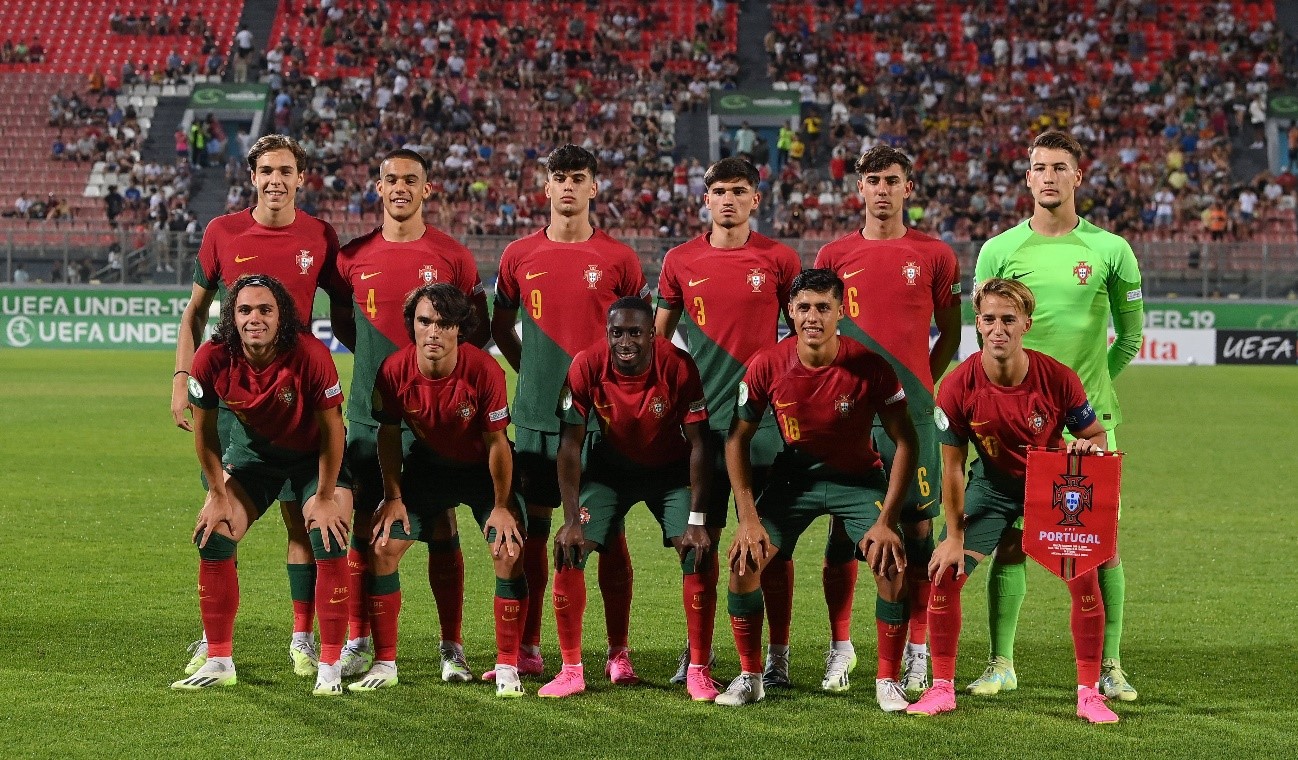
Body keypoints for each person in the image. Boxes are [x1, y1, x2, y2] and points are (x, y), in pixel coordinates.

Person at [973, 130, 1143, 701]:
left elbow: (1131, 337)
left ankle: (1109, 665)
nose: (1048, 176)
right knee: (1011, 541)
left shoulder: (1111, 250)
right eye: (1039, 167)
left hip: (1089, 424)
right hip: (1018, 428)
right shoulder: (999, 251)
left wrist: (1082, 401)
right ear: (1027, 178)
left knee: (1102, 546)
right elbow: (987, 340)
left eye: (1059, 167)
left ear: (1078, 176)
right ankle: (1001, 662)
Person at [906, 277, 1119, 724]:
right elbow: (950, 467)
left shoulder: (1057, 378)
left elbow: (1095, 435)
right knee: (945, 573)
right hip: (991, 485)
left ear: (1026, 324)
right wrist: (954, 536)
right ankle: (942, 687)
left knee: (1085, 579)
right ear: (977, 325)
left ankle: (1089, 693)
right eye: (989, 319)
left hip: (1054, 485)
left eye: (1008, 319)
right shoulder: (957, 386)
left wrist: (1087, 448)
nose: (998, 328)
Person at [172, 134, 344, 681]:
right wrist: (181, 377)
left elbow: (344, 312)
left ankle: (302, 637)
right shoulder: (222, 231)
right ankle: (216, 639)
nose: (275, 178)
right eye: (266, 169)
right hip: (237, 409)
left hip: (297, 404)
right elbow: (194, 313)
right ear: (253, 176)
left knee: (303, 526)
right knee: (220, 518)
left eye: (285, 170)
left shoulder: (319, 235)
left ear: (300, 178)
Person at [715, 268, 918, 708]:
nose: (812, 317)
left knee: (892, 563)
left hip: (859, 480)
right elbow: (736, 440)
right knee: (743, 562)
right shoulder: (768, 364)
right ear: (790, 310)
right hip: (795, 480)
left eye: (823, 307)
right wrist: (747, 519)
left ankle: (887, 680)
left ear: (840, 312)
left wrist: (887, 521)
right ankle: (751, 676)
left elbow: (907, 441)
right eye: (803, 307)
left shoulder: (870, 366)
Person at [490, 144, 649, 682]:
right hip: (536, 420)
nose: (567, 187)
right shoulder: (517, 256)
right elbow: (499, 327)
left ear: (593, 188)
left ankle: (618, 652)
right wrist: (533, 372)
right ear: (546, 186)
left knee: (607, 535)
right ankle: (531, 647)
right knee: (534, 534)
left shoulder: (620, 260)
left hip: (604, 425)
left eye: (578, 178)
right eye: (559, 177)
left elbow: (640, 339)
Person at [330, 148, 489, 682]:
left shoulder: (452, 256)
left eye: (411, 180)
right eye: (390, 179)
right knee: (363, 524)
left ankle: (451, 647)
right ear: (378, 188)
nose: (400, 187)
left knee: (441, 522)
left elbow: (477, 332)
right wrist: (385, 372)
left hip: (438, 423)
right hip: (370, 417)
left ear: (428, 189)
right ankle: (358, 636)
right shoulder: (351, 257)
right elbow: (344, 328)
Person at [813, 145, 963, 699]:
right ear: (860, 188)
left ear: (908, 188)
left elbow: (949, 329)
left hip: (914, 413)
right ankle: (841, 646)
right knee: (842, 529)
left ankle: (918, 650)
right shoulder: (834, 253)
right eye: (872, 180)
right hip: (847, 411)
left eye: (892, 180)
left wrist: (920, 385)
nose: (882, 189)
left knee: (920, 531)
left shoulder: (935, 255)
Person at [170, 274, 354, 696]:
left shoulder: (310, 353)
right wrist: (218, 494)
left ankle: (329, 666)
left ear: (281, 315)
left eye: (265, 310)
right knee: (213, 534)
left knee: (328, 533)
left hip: (313, 461)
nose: (255, 318)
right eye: (245, 310)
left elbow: (333, 431)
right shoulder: (212, 357)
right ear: (232, 317)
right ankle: (218, 659)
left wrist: (325, 496)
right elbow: (206, 433)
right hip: (255, 460)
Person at [655, 157, 800, 686]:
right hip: (701, 428)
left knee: (772, 547)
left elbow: (802, 334)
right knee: (701, 542)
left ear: (756, 199)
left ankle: (778, 655)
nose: (729, 200)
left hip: (765, 428)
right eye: (719, 190)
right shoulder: (680, 260)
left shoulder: (780, 259)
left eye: (739, 191)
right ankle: (698, 653)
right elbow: (658, 341)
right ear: (706, 198)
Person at [353, 283, 528, 697]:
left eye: (444, 323)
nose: (433, 331)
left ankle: (506, 665)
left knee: (508, 549)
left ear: (460, 330)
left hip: (482, 473)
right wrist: (392, 496)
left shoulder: (484, 370)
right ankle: (386, 661)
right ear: (412, 326)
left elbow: (497, 445)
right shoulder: (394, 371)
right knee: (382, 547)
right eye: (424, 321)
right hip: (428, 470)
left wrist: (502, 506)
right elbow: (389, 436)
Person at [541, 298, 715, 700]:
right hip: (609, 473)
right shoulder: (586, 365)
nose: (626, 341)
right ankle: (572, 670)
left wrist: (698, 519)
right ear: (607, 332)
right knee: (570, 549)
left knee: (698, 551)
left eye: (635, 332)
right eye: (617, 332)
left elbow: (700, 444)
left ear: (652, 334)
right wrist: (569, 519)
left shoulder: (678, 366)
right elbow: (569, 446)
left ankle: (699, 669)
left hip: (669, 473)